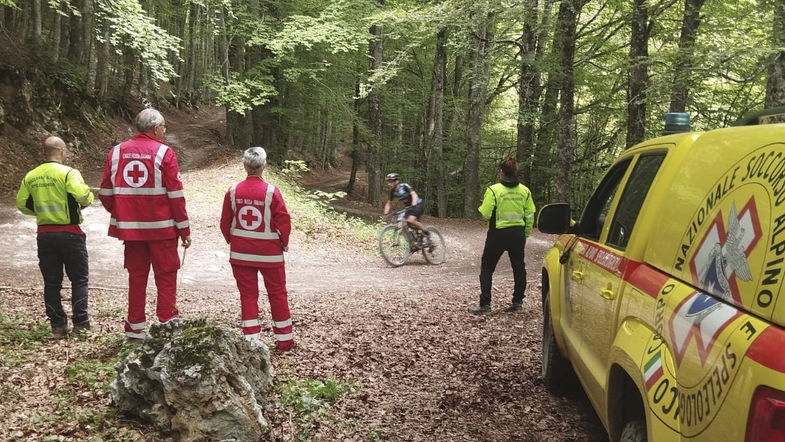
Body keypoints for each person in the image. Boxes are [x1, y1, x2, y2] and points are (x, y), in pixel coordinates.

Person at [98, 108, 191, 340]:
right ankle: (167, 322)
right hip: (163, 229)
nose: (165, 130)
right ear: (155, 128)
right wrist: (184, 229)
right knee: (167, 274)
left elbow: (106, 193)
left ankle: (135, 327)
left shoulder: (116, 152)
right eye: (164, 126)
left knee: (137, 277)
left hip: (131, 232)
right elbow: (176, 196)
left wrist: (123, 213)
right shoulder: (164, 153)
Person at [16, 136, 94, 338]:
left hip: (44, 235)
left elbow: (22, 204)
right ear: (61, 150)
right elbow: (84, 196)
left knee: (51, 282)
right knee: (79, 280)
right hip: (70, 233)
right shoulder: (68, 173)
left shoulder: (31, 176)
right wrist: (86, 200)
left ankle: (58, 326)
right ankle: (81, 324)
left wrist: (42, 213)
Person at [220, 147, 294, 351]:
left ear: (245, 166)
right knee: (277, 293)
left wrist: (232, 240)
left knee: (248, 295)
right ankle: (284, 340)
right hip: (270, 254)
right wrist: (284, 242)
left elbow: (225, 222)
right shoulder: (272, 192)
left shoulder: (233, 191)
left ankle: (251, 341)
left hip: (241, 254)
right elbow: (283, 221)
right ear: (264, 166)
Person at [469, 157, 536, 314]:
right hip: (518, 234)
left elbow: (485, 214)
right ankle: (518, 303)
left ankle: (485, 305)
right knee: (519, 268)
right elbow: (530, 215)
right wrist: (525, 234)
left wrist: (482, 206)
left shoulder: (493, 190)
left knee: (487, 267)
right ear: (515, 172)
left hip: (497, 234)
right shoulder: (525, 191)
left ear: (501, 172)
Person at [383, 173, 429, 238]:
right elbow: (388, 203)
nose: (389, 184)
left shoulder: (404, 186)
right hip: (408, 207)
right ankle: (413, 239)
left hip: (417, 204)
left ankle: (426, 232)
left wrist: (413, 204)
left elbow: (414, 194)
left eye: (391, 182)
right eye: (388, 182)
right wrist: (386, 213)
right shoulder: (392, 191)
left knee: (410, 220)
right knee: (405, 222)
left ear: (397, 181)